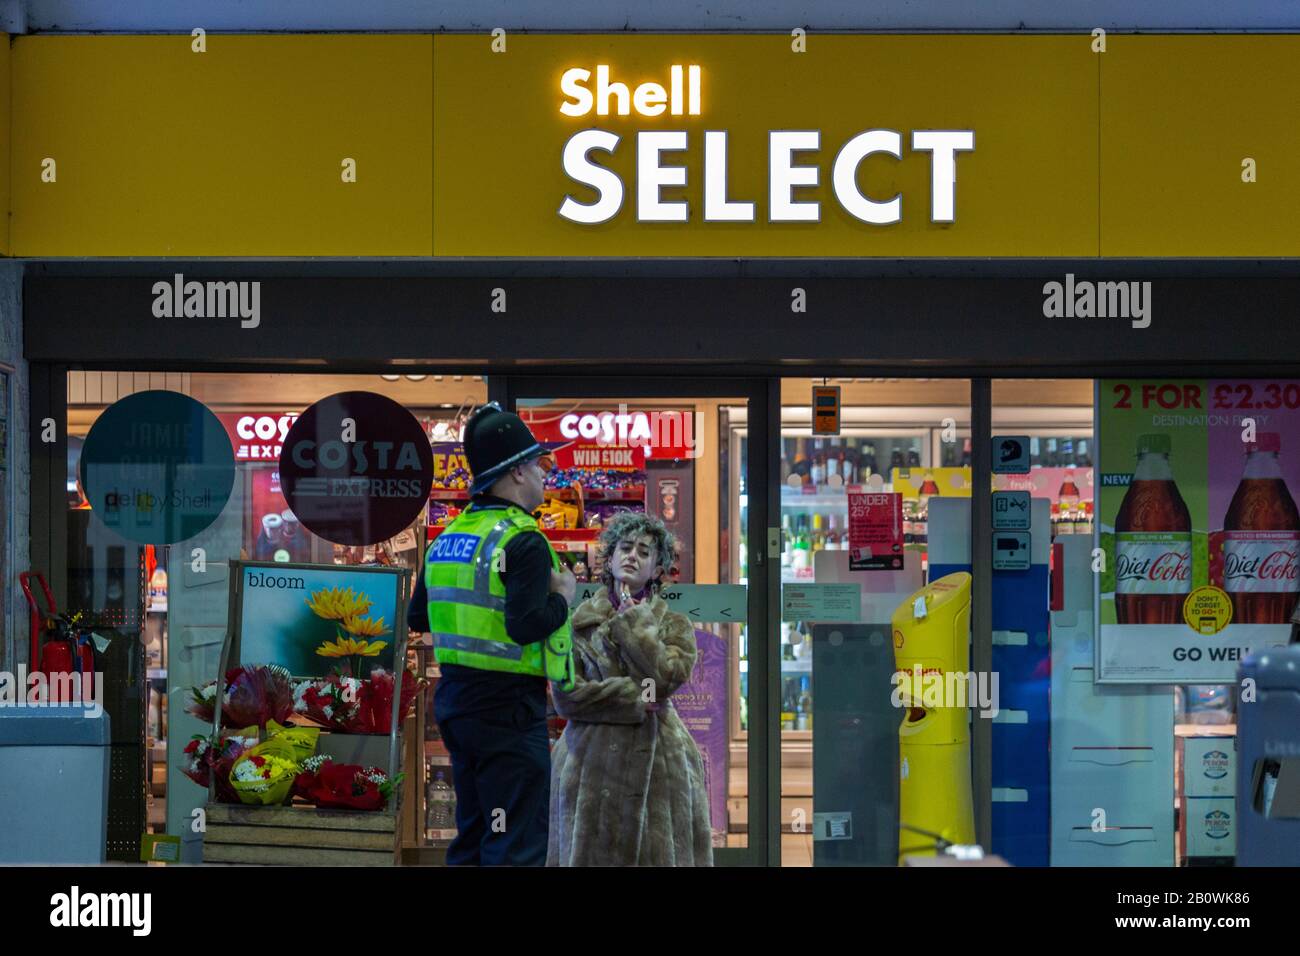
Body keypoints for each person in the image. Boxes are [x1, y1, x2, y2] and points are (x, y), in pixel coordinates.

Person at [408, 402, 576, 866]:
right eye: (539, 464)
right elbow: (524, 627)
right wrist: (563, 596)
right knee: (516, 842)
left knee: (476, 832)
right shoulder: (524, 540)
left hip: (458, 707)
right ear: (517, 473)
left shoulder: (449, 538)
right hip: (507, 713)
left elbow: (417, 618)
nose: (546, 475)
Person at [547, 511, 713, 866]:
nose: (631, 556)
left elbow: (665, 680)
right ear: (609, 558)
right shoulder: (579, 623)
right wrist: (634, 698)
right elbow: (565, 696)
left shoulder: (674, 625)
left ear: (656, 569)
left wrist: (634, 623)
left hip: (659, 765)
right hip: (588, 765)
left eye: (643, 551)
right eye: (625, 547)